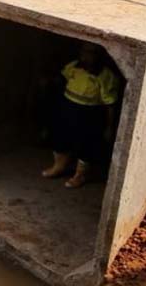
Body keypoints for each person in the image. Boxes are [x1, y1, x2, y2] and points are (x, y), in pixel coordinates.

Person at [42, 43, 119, 189]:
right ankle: (59, 166)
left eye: (90, 53)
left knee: (86, 144)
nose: (86, 56)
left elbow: (110, 104)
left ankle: (80, 175)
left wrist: (109, 126)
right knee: (61, 136)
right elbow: (62, 79)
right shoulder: (75, 66)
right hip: (68, 106)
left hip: (89, 112)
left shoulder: (105, 75)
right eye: (84, 51)